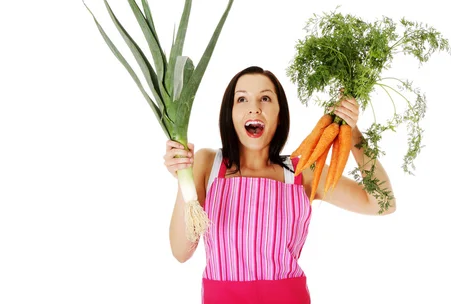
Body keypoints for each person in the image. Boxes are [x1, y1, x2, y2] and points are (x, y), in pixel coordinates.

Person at [164, 65, 396, 303]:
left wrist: (352, 130)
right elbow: (181, 252)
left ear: (280, 113)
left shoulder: (302, 172)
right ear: (230, 113)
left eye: (265, 98)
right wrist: (183, 177)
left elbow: (380, 203)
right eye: (242, 99)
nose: (254, 107)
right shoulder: (207, 164)